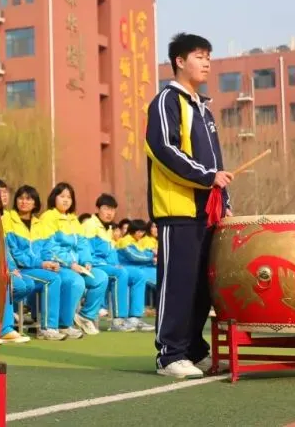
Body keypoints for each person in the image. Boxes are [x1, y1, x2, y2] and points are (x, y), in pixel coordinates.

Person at [145, 32, 233, 379]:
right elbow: (163, 148)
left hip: (206, 211)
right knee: (177, 284)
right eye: (199, 56)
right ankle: (169, 355)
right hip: (177, 210)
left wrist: (224, 201)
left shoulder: (203, 108)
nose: (206, 62)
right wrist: (207, 176)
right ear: (179, 61)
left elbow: (217, 165)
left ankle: (194, 351)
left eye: (208, 56)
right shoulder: (167, 101)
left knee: (200, 288)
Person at [37, 183, 108, 337]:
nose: (66, 200)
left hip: (78, 266)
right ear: (54, 197)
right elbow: (50, 248)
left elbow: (83, 244)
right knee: (76, 282)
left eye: (69, 197)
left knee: (101, 277)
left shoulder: (73, 219)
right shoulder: (48, 217)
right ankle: (64, 324)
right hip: (59, 265)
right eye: (62, 196)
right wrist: (70, 264)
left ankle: (85, 316)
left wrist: (87, 261)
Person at [2, 185, 68, 341]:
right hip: (21, 268)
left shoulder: (40, 224)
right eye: (21, 198)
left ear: (35, 203)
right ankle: (48, 328)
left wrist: (50, 262)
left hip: (36, 268)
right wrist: (41, 264)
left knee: (59, 275)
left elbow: (47, 248)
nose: (24, 202)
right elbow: (15, 252)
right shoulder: (9, 220)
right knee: (52, 279)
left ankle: (61, 323)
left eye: (28, 199)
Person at [85, 194, 154, 333]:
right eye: (106, 208)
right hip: (95, 265)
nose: (109, 213)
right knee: (120, 273)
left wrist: (115, 263)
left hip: (109, 265)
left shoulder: (108, 228)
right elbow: (86, 251)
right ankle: (118, 320)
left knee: (139, 275)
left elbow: (111, 253)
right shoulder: (90, 225)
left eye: (112, 209)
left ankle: (134, 318)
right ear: (98, 208)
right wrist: (110, 265)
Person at [0, 179, 30, 345]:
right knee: (6, 281)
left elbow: (4, 249)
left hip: (3, 267)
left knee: (23, 284)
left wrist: (11, 267)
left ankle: (3, 318)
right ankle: (4, 329)